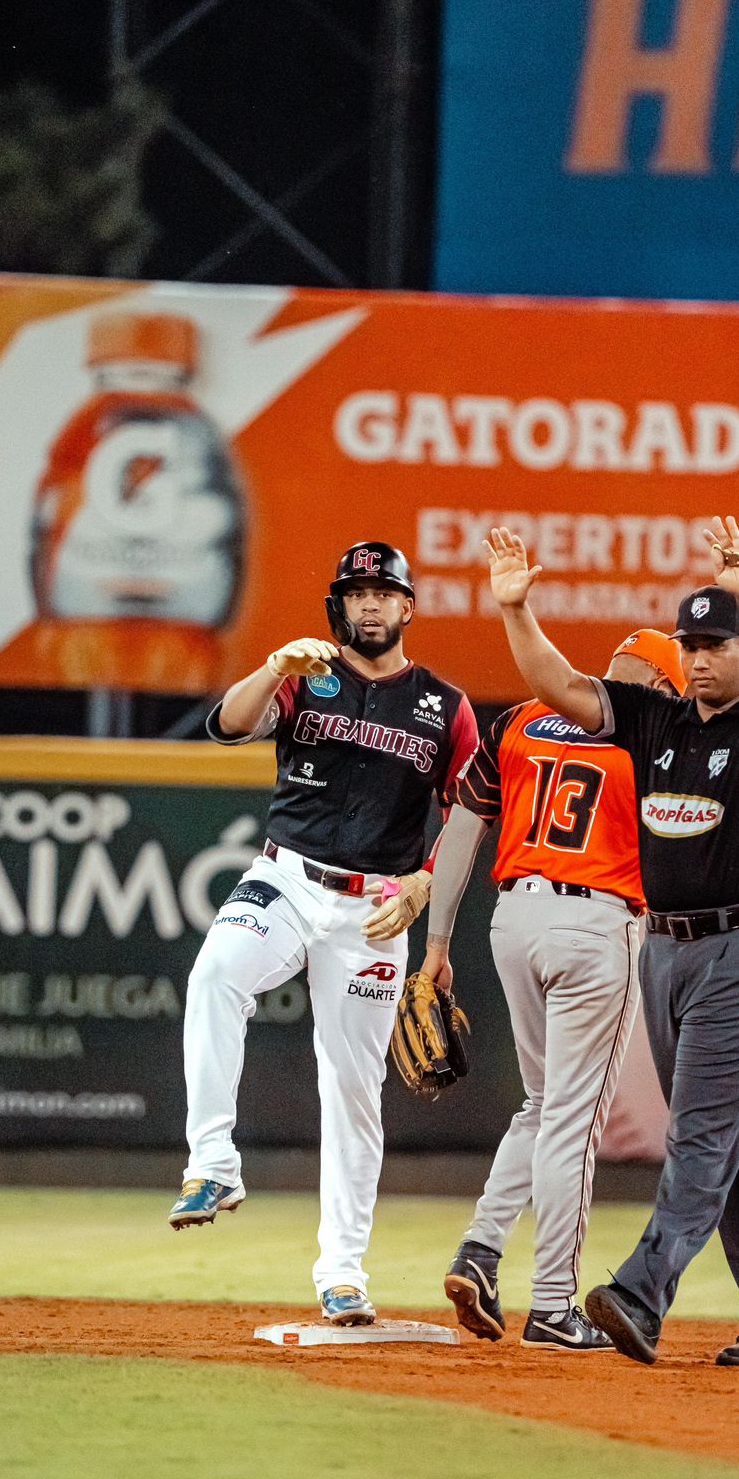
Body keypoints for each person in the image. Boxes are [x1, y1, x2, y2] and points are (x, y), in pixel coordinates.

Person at [485, 517, 739, 1370]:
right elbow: (561, 686)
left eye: (717, 645)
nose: (701, 658)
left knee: (699, 1138)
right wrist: (517, 612)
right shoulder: (654, 720)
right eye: (691, 645)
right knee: (730, 1141)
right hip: (666, 953)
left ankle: (641, 1290)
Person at [169, 541, 478, 1326]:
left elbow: (473, 809)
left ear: (408, 607)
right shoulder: (307, 676)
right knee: (215, 975)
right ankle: (213, 1161)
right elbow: (228, 724)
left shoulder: (445, 705)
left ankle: (342, 1273)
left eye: (383, 592)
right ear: (339, 606)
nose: (369, 603)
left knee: (352, 1088)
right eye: (356, 592)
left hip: (376, 908)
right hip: (287, 877)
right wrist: (273, 666)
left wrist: (426, 881)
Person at [425, 631, 686, 1350]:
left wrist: (437, 943)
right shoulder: (653, 736)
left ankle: (480, 1249)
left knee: (543, 1105)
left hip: (513, 918)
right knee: (573, 1120)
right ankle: (552, 1306)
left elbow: (463, 825)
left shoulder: (520, 719)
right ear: (661, 687)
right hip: (594, 923)